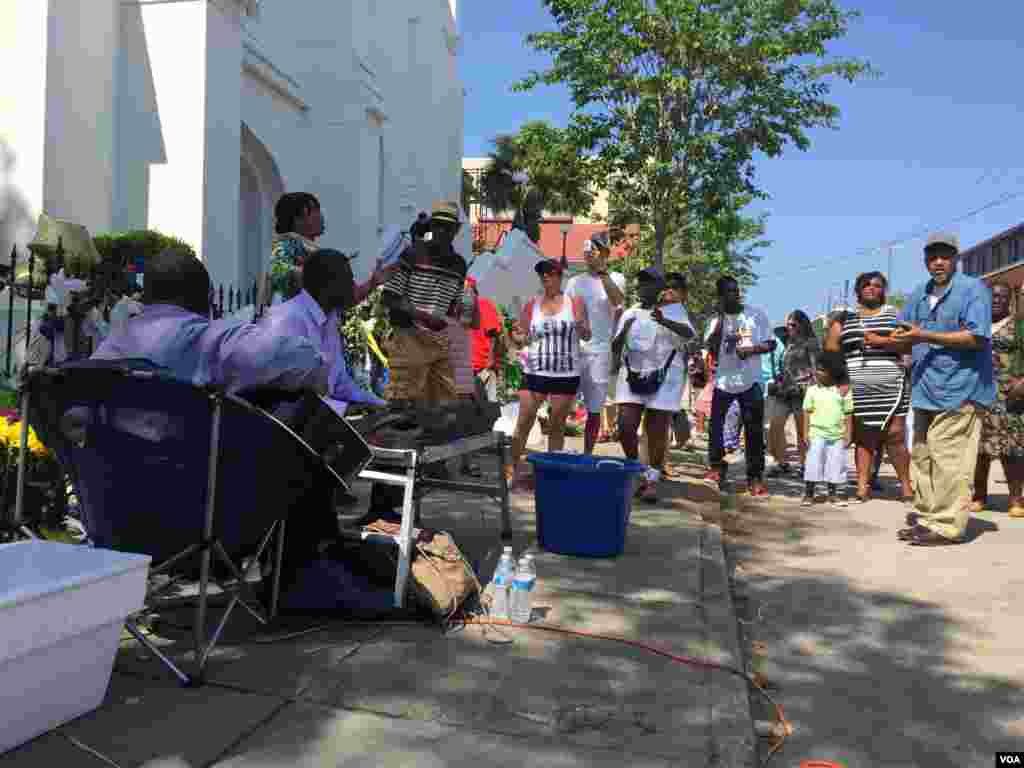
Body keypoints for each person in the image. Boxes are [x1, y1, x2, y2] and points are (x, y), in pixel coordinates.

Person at [876, 232, 996, 546]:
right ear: (925, 260)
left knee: (949, 459)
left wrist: (923, 335)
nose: (938, 261)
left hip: (961, 388)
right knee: (925, 458)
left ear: (956, 258)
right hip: (925, 388)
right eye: (932, 256)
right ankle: (930, 518)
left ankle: (948, 525)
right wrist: (888, 340)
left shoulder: (973, 290)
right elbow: (905, 333)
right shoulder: (919, 293)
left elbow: (977, 336)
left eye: (945, 255)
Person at [93, 248, 326, 394]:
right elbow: (308, 362)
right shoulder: (212, 340)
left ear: (144, 297)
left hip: (110, 470)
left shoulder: (112, 345)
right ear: (209, 299)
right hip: (187, 468)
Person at [260, 249, 385, 418]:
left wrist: (377, 404)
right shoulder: (287, 320)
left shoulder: (329, 318)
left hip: (317, 421)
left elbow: (339, 383)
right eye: (348, 280)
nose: (354, 286)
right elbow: (286, 395)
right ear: (328, 286)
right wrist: (345, 409)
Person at [825, 271, 913, 502]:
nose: (872, 288)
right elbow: (832, 349)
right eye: (866, 285)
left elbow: (907, 342)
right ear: (857, 290)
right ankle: (862, 487)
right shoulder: (844, 317)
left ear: (883, 290)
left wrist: (881, 341)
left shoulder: (894, 314)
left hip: (893, 383)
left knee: (895, 435)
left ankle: (906, 486)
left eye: (877, 285)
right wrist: (841, 378)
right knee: (864, 438)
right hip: (858, 384)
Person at [612, 267, 695, 500]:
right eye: (639, 284)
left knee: (656, 430)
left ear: (659, 288)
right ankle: (637, 470)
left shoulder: (673, 310)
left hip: (666, 378)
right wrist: (621, 332)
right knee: (625, 427)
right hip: (633, 375)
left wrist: (665, 320)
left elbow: (689, 334)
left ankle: (652, 479)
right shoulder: (630, 313)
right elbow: (616, 347)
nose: (642, 288)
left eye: (648, 284)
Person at [508, 259, 590, 490]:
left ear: (560, 276)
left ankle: (551, 476)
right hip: (535, 371)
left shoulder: (574, 302)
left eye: (551, 273)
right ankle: (511, 470)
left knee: (556, 425)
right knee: (524, 421)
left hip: (565, 372)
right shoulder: (532, 305)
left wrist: (582, 326)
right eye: (542, 274)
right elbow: (521, 337)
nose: (546, 277)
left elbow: (586, 335)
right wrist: (516, 335)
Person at [380, 201, 468, 406]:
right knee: (403, 404)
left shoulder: (459, 265)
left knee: (444, 405)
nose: (442, 231)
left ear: (456, 230)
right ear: (431, 227)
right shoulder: (412, 253)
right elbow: (389, 296)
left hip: (439, 340)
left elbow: (453, 306)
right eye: (437, 225)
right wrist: (423, 316)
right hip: (408, 336)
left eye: (448, 227)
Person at [703, 276, 775, 494]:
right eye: (727, 291)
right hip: (724, 381)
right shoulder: (716, 320)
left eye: (736, 290)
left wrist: (752, 350)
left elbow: (770, 343)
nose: (733, 294)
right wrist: (722, 320)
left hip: (751, 380)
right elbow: (712, 349)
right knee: (715, 426)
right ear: (720, 296)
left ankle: (754, 477)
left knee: (753, 430)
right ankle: (717, 468)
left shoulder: (756, 314)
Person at [268, 192, 394, 305]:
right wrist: (317, 271)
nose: (321, 216)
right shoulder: (285, 246)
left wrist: (373, 283)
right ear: (298, 219)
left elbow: (349, 297)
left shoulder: (313, 251)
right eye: (315, 212)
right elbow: (278, 272)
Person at [564, 233, 626, 454]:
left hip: (600, 352)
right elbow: (568, 313)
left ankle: (587, 455)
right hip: (574, 351)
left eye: (596, 249)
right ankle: (558, 451)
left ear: (606, 253)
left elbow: (618, 301)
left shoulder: (616, 278)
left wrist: (602, 273)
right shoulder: (574, 282)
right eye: (588, 249)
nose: (589, 253)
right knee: (562, 404)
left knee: (594, 409)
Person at [972, 282, 1024, 518]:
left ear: (1009, 300)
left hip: (1009, 394)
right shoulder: (976, 324)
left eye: (1002, 297)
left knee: (1010, 448)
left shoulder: (1019, 325)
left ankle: (1015, 499)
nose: (997, 300)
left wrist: (1022, 382)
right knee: (979, 448)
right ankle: (979, 496)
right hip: (978, 391)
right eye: (993, 296)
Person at [767, 310, 819, 476]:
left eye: (793, 324)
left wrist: (813, 386)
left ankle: (805, 465)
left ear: (803, 324)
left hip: (803, 391)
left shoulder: (811, 343)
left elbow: (816, 367)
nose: (790, 327)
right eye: (788, 324)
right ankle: (782, 462)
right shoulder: (787, 342)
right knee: (775, 425)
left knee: (802, 431)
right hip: (784, 390)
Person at [801, 351, 853, 506]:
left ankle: (833, 495)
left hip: (837, 436)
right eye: (817, 368)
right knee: (813, 463)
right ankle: (809, 494)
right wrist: (805, 432)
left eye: (822, 370)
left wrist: (848, 434)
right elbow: (806, 412)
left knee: (836, 465)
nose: (817, 372)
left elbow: (848, 413)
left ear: (833, 372)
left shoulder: (842, 391)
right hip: (817, 434)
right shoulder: (812, 390)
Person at [469, 277, 504, 402]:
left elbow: (495, 334)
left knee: (486, 410)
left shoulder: (483, 304)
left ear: (473, 291)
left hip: (483, 369)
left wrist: (491, 360)